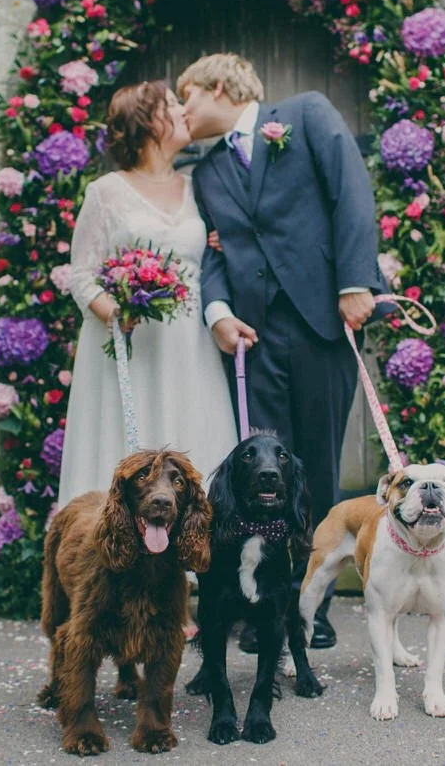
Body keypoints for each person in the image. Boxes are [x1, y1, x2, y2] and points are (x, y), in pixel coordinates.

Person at [178, 53, 386, 650]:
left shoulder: (305, 114)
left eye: (186, 95)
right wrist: (217, 313)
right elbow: (212, 252)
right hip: (253, 339)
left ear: (218, 86)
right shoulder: (208, 171)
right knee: (263, 475)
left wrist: (355, 283)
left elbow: (352, 194)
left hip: (322, 322)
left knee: (315, 467)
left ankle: (310, 610)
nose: (182, 109)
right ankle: (266, 607)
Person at [57, 81, 238, 505]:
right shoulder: (106, 193)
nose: (182, 111)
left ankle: (193, 560)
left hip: (190, 349)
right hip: (130, 347)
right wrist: (113, 311)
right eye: (171, 105)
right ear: (146, 122)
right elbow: (81, 275)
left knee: (192, 434)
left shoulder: (200, 187)